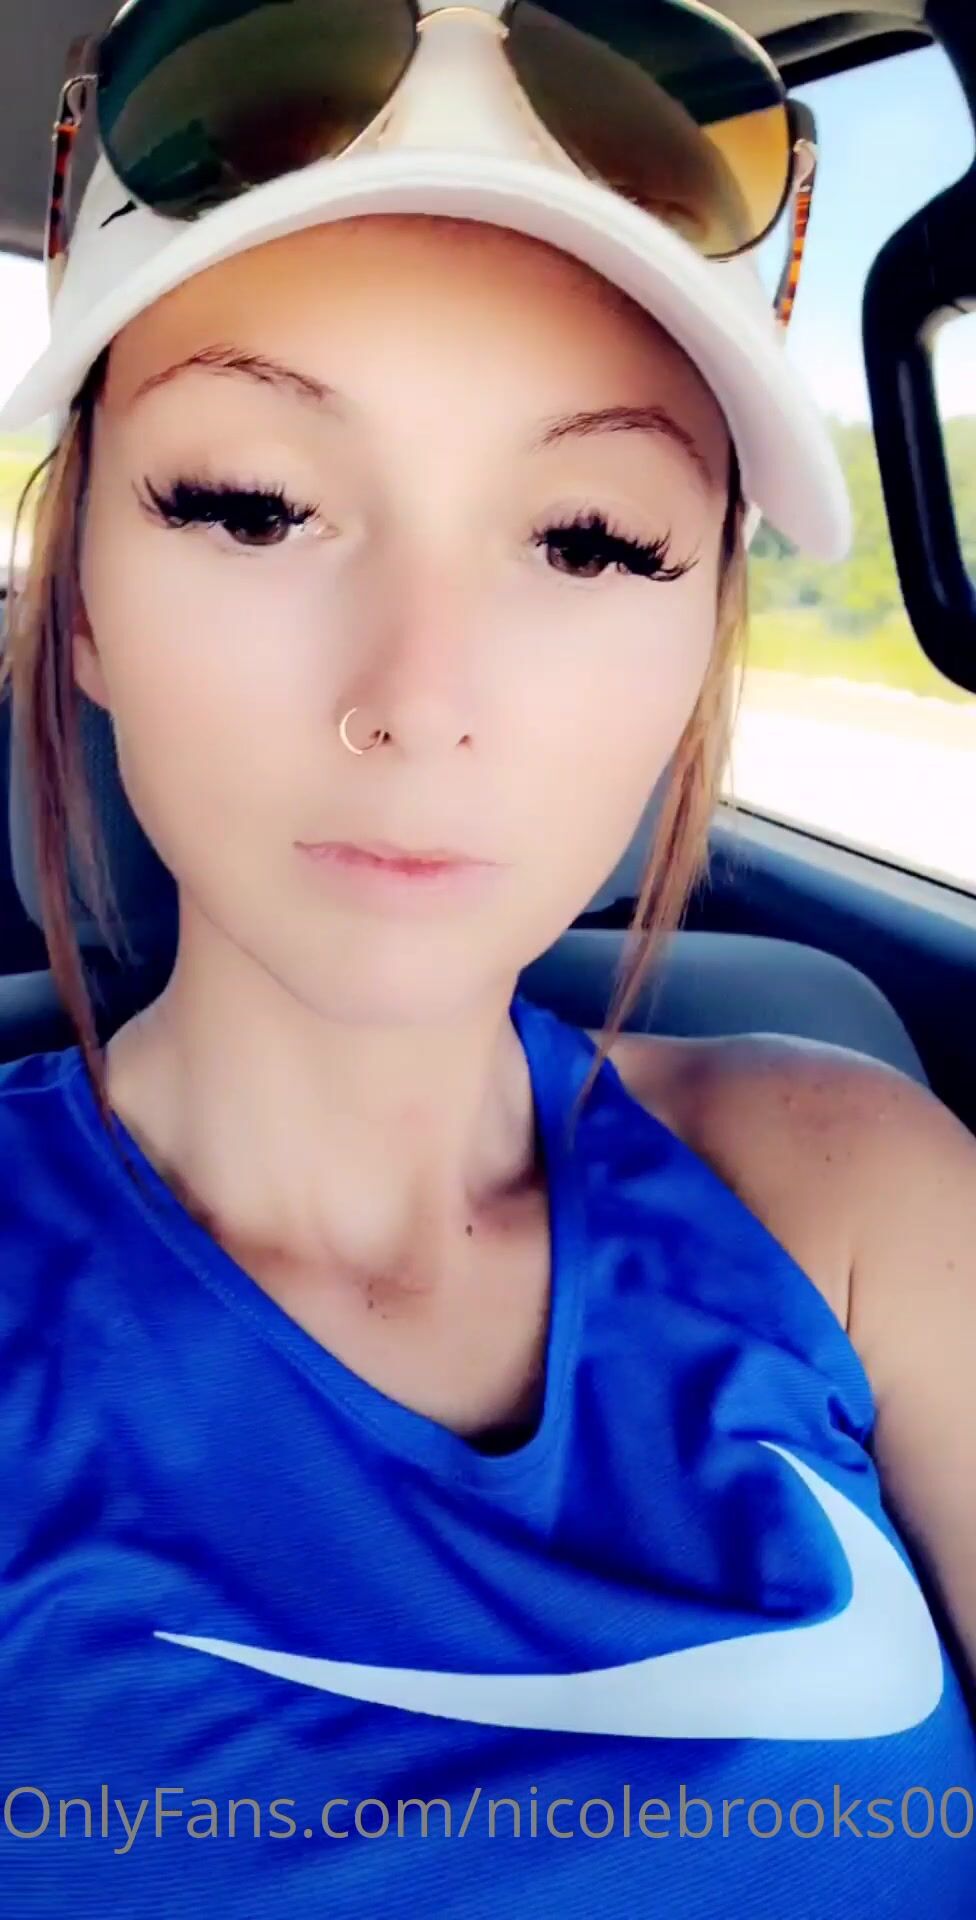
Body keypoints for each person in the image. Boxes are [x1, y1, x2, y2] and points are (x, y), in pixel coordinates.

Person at [0, 5, 973, 1916]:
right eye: (250, 505)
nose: (421, 699)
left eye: (591, 541)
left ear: (704, 626)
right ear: (83, 596)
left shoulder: (867, 1194)